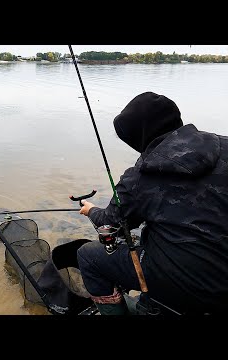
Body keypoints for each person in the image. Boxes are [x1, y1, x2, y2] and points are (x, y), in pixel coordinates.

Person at [76, 91, 228, 315]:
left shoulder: (140, 177)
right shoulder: (223, 144)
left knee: (88, 255)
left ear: (139, 137)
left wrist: (91, 211)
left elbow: (111, 225)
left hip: (194, 286)